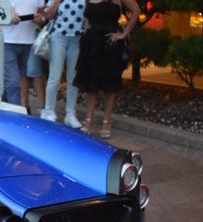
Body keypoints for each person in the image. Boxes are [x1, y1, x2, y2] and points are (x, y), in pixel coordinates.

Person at [73, 0, 139, 138]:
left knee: (110, 84)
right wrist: (86, 26)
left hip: (110, 43)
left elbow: (136, 11)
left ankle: (106, 122)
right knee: (91, 83)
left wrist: (124, 33)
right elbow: (87, 14)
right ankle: (88, 121)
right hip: (91, 42)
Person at [40, 0, 86, 128]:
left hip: (77, 39)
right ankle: (48, 110)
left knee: (73, 78)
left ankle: (70, 113)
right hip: (59, 37)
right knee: (54, 76)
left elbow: (88, 14)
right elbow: (47, 15)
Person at [0, 1, 46, 107]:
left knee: (13, 80)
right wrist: (9, 17)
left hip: (28, 42)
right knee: (14, 81)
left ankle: (3, 108)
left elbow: (42, 14)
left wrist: (40, 19)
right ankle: (15, 116)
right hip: (7, 40)